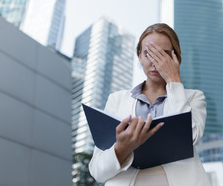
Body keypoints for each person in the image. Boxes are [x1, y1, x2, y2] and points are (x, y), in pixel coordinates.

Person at [89, 23, 211, 186]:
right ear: (139, 56)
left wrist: (173, 79)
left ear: (176, 58)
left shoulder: (193, 97)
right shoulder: (117, 99)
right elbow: (97, 172)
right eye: (148, 54)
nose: (155, 62)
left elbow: (190, 137)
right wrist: (121, 149)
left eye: (163, 55)